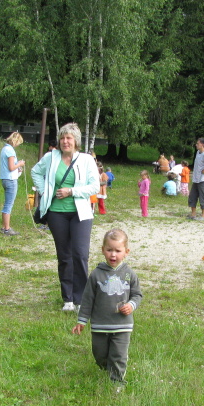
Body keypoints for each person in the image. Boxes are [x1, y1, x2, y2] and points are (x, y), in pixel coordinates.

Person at [31, 123, 100, 312]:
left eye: (68, 138)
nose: (65, 141)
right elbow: (35, 172)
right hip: (56, 213)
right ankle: (68, 299)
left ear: (76, 140)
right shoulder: (51, 157)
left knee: (80, 254)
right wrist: (45, 192)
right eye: (62, 138)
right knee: (64, 256)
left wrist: (72, 191)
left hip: (81, 213)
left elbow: (95, 186)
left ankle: (81, 299)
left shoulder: (86, 160)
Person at [71, 229, 142, 387]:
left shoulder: (129, 274)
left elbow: (137, 295)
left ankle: (117, 381)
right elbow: (87, 299)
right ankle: (106, 367)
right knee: (100, 354)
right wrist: (82, 321)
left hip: (122, 325)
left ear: (126, 252)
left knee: (118, 355)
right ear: (103, 250)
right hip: (100, 325)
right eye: (109, 250)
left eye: (118, 251)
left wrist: (131, 305)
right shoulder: (96, 274)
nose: (113, 255)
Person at [0, 132, 26, 236]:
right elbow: (11, 167)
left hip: (5, 178)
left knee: (7, 203)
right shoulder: (10, 151)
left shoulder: (4, 149)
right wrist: (20, 164)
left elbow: (8, 166)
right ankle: (7, 229)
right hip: (11, 180)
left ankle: (4, 227)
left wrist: (17, 168)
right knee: (9, 204)